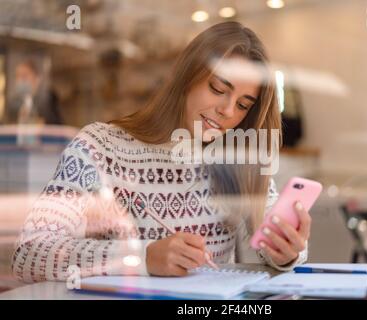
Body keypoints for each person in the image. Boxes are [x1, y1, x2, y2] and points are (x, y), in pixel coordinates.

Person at [11, 22, 311, 282]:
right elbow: (30, 254)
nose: (228, 111)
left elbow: (273, 243)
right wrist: (142, 258)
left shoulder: (235, 159)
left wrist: (287, 251)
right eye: (219, 89)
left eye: (243, 105)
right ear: (187, 77)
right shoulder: (99, 147)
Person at [5, 59, 62, 125]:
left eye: (24, 76)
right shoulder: (12, 104)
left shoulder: (49, 100)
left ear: (37, 79)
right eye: (17, 76)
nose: (21, 80)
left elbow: (58, 127)